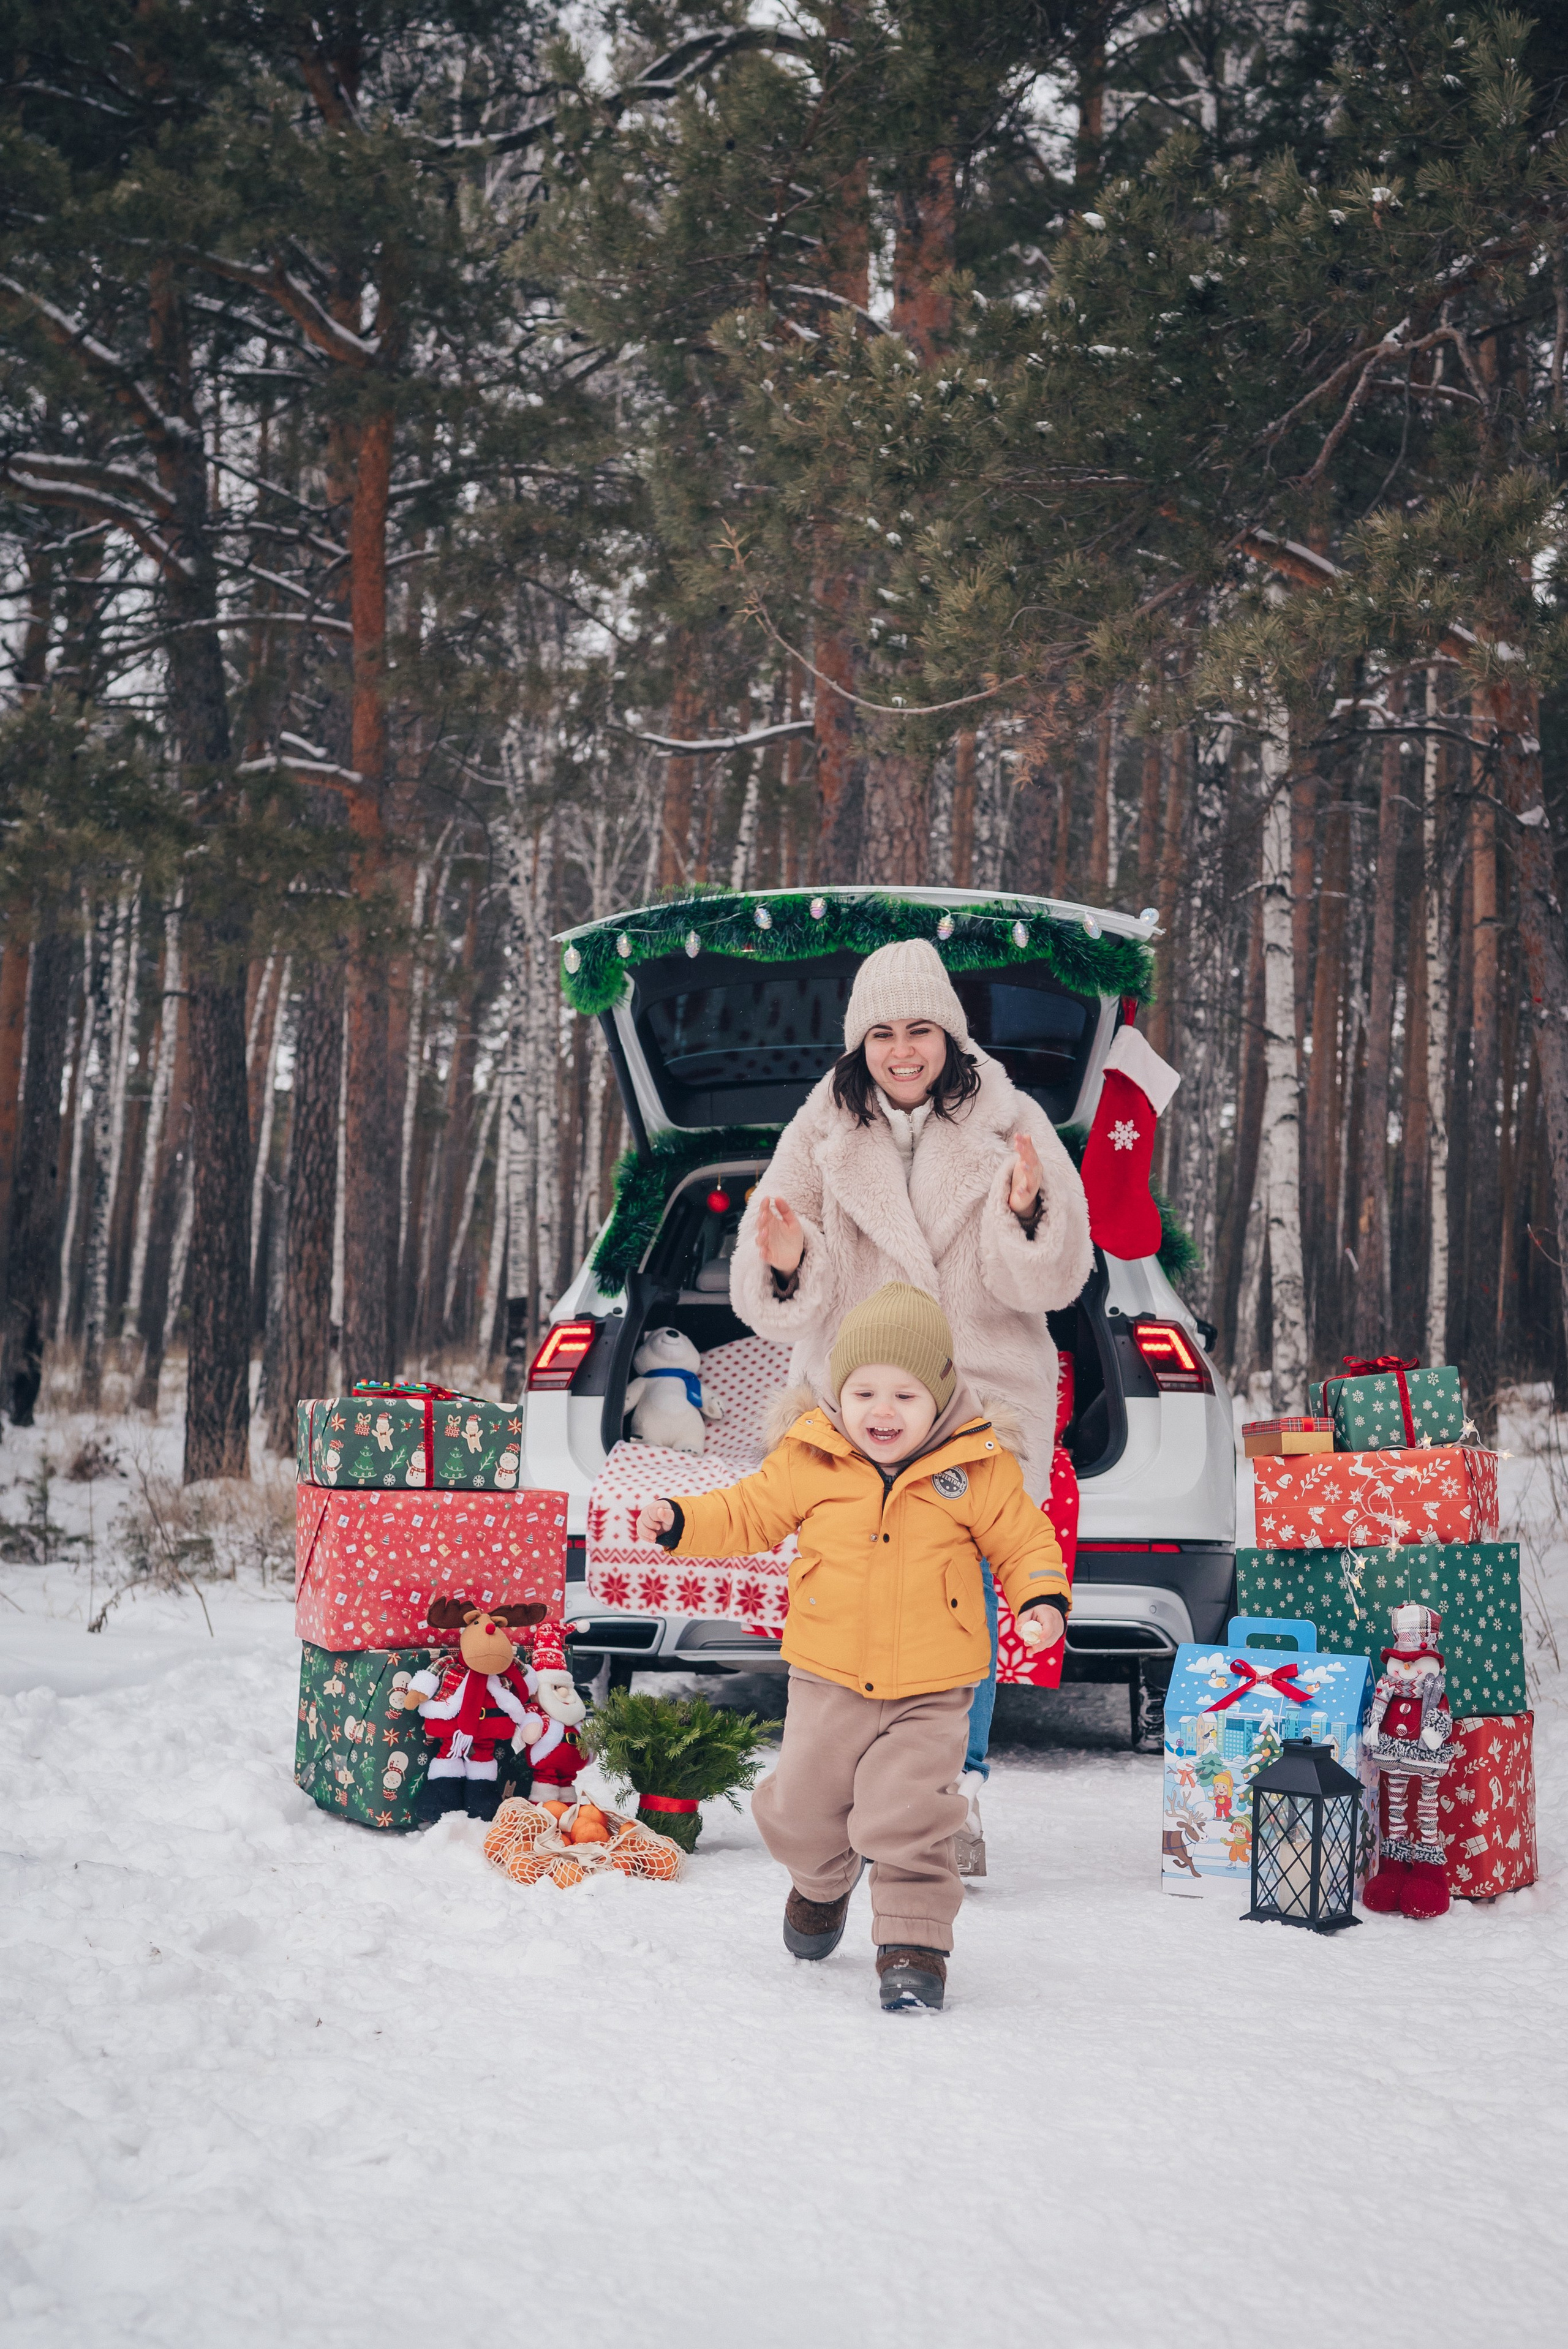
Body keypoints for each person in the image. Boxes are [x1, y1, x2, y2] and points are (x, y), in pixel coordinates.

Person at [728, 937, 1092, 1869]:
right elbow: (776, 1283)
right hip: (857, 1402)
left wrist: (1023, 1209)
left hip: (976, 1396)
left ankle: (945, 1798)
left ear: (949, 1033)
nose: (902, 1049)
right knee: (847, 1592)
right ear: (860, 1044)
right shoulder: (818, 1131)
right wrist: (782, 1260)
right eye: (882, 1032)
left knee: (957, 1593)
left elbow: (1052, 1278)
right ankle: (843, 1785)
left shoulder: (1012, 1120)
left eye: (919, 1029)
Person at [635, 1284, 1070, 2010]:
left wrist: (1041, 1598)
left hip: (933, 1686)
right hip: (827, 1677)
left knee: (907, 1816)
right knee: (801, 1808)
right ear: (838, 1392)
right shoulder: (812, 1455)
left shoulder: (977, 1464)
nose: (882, 1410)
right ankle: (821, 1879)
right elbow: (747, 1510)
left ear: (940, 1394)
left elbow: (1025, 1541)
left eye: (904, 1393)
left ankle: (913, 1943)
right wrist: (681, 1520)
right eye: (864, 1390)